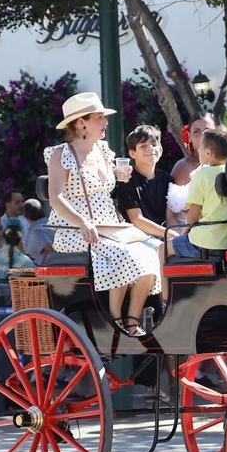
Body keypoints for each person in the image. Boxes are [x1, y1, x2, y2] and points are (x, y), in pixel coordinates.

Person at [45, 92, 160, 335]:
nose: (105, 122)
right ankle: (116, 321)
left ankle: (132, 320)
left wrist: (119, 180)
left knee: (152, 252)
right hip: (76, 231)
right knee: (125, 254)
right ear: (81, 122)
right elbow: (56, 197)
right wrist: (82, 221)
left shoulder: (104, 151)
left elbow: (107, 191)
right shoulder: (61, 154)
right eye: (99, 117)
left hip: (110, 227)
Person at [113, 125, 176, 253]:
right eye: (143, 146)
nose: (150, 148)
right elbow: (137, 220)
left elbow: (170, 215)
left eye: (153, 144)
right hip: (138, 238)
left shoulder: (166, 178)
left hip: (164, 234)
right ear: (132, 153)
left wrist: (178, 233)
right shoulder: (126, 180)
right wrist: (170, 234)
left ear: (161, 149)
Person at [184, 127, 227, 260]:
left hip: (206, 241)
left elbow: (192, 218)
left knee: (163, 249)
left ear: (208, 152)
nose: (198, 150)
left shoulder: (202, 175)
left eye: (200, 147)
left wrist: (185, 231)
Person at [168, 114, 218, 230]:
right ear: (189, 136)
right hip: (185, 231)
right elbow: (170, 214)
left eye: (207, 130)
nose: (202, 136)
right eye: (196, 131)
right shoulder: (182, 167)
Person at [23, 198, 54, 263]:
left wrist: (43, 269)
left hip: (44, 269)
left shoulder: (37, 231)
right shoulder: (49, 225)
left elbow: (50, 250)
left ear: (26, 215)